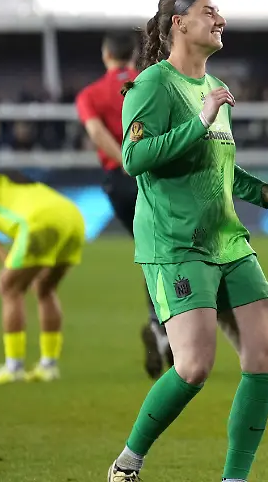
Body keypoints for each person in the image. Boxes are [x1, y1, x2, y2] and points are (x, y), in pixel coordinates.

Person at [105, 0, 268, 482]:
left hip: (228, 240)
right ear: (179, 23)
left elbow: (221, 169)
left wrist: (266, 193)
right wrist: (200, 119)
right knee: (194, 367)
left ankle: (234, 478)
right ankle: (128, 462)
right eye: (208, 11)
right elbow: (133, 159)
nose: (220, 18)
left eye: (219, 11)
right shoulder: (152, 84)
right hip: (176, 243)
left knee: (265, 355)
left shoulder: (215, 87)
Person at [75, 30, 174, 379]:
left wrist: (125, 162)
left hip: (118, 181)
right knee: (170, 251)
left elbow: (97, 135)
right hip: (159, 174)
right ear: (134, 55)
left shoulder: (89, 94)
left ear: (105, 55)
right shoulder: (153, 80)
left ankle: (161, 326)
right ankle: (166, 325)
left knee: (151, 249)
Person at [0, 152, 84, 385]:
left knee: (9, 288)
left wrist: (6, 263)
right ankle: (49, 366)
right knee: (46, 288)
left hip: (39, 223)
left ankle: (13, 367)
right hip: (72, 216)